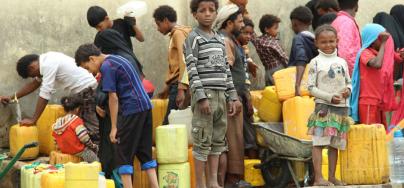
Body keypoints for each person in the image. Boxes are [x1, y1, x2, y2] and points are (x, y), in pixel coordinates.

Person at [75, 44, 158, 188]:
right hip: (145, 107)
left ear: (92, 59)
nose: (89, 72)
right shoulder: (117, 59)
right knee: (144, 150)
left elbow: (113, 98)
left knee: (122, 153)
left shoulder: (107, 67)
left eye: (87, 68)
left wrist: (113, 127)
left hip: (132, 109)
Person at [185, 0, 240, 187]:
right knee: (202, 140)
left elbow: (225, 69)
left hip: (220, 96)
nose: (207, 14)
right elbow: (191, 69)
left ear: (216, 13)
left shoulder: (218, 39)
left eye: (211, 10)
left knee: (217, 140)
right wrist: (200, 97)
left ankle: (213, 182)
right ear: (195, 14)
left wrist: (232, 96)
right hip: (205, 97)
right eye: (202, 10)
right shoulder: (193, 38)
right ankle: (200, 183)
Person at [0, 52, 99, 142]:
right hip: (83, 91)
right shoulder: (47, 60)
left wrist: (33, 119)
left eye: (31, 75)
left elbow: (45, 93)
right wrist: (11, 97)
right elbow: (34, 84)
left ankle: (100, 158)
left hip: (87, 91)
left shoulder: (48, 64)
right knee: (83, 126)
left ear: (31, 67)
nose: (34, 77)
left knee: (91, 128)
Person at [307, 24, 352, 186]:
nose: (328, 45)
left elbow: (349, 81)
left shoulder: (342, 62)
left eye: (331, 41)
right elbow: (310, 88)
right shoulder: (315, 62)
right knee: (319, 142)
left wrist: (348, 90)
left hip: (341, 109)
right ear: (316, 44)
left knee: (335, 144)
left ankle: (332, 176)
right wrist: (328, 97)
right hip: (324, 109)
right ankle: (319, 178)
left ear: (337, 41)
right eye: (323, 42)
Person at [214, 5, 248, 187]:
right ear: (229, 23)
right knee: (232, 140)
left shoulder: (232, 40)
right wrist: (232, 97)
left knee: (235, 139)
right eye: (240, 21)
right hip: (229, 100)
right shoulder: (225, 41)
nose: (242, 25)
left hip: (234, 98)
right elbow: (224, 71)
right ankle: (230, 180)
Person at [153, 5, 192, 124]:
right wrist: (166, 89)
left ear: (165, 21)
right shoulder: (180, 32)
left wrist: (181, 89)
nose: (157, 28)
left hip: (180, 87)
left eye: (158, 24)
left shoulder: (178, 34)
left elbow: (183, 61)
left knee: (170, 123)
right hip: (178, 85)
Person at [350, 24, 393, 125]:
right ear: (372, 40)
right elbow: (377, 64)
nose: (385, 42)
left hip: (377, 100)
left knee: (378, 133)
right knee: (369, 133)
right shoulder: (365, 52)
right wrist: (383, 44)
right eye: (381, 39)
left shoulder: (375, 53)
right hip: (368, 100)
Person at [236, 18, 258, 159]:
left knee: (247, 126)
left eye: (251, 34)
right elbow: (242, 78)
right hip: (241, 94)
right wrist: (248, 99)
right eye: (245, 33)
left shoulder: (243, 50)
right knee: (247, 128)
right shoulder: (236, 49)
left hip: (244, 92)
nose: (248, 37)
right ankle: (252, 159)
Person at [53, 96, 99, 162]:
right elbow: (83, 137)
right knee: (95, 160)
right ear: (77, 109)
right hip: (78, 151)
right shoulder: (76, 120)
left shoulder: (58, 122)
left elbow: (55, 139)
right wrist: (92, 145)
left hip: (64, 150)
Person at [251, 14, 288, 86]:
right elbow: (284, 58)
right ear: (267, 29)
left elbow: (252, 34)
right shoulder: (273, 43)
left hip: (268, 73)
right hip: (279, 71)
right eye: (275, 28)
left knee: (271, 93)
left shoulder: (258, 41)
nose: (277, 31)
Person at [289, 6, 318, 96]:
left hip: (297, 82)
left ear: (294, 23)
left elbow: (301, 58)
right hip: (312, 83)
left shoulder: (298, 38)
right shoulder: (315, 40)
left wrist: (297, 85)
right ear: (310, 22)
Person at [331, 0, 361, 75]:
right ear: (356, 7)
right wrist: (353, 75)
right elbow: (345, 53)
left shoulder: (337, 21)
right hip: (346, 75)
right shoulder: (346, 22)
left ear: (338, 6)